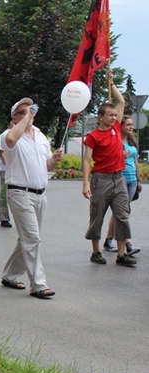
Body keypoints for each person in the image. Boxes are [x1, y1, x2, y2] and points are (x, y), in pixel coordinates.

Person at [0, 98, 62, 299]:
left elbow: (46, 165)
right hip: (19, 193)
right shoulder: (9, 136)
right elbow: (10, 142)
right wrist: (25, 119)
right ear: (14, 117)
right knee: (33, 238)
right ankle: (38, 284)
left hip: (39, 193)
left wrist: (53, 160)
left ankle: (10, 275)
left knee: (27, 239)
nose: (29, 113)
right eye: (22, 111)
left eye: (30, 110)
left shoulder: (41, 137)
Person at [82, 75, 136, 267]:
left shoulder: (116, 129)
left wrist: (111, 83)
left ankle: (121, 255)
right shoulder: (93, 136)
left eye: (115, 115)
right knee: (97, 216)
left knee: (122, 215)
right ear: (100, 116)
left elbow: (120, 100)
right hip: (101, 179)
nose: (114, 118)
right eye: (111, 115)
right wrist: (86, 183)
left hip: (118, 178)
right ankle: (96, 251)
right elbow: (87, 161)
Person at [103, 115, 141, 255]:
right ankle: (127, 243)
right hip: (120, 179)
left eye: (132, 124)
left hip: (132, 181)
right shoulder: (116, 141)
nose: (131, 127)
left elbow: (135, 162)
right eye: (128, 124)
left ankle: (108, 240)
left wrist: (139, 180)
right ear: (121, 126)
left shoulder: (131, 142)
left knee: (120, 212)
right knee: (122, 212)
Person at [0, 119, 14, 228]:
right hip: (5, 170)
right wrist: (9, 166)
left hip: (11, 170)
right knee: (5, 193)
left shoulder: (15, 135)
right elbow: (2, 153)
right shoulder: (5, 135)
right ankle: (4, 218)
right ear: (11, 122)